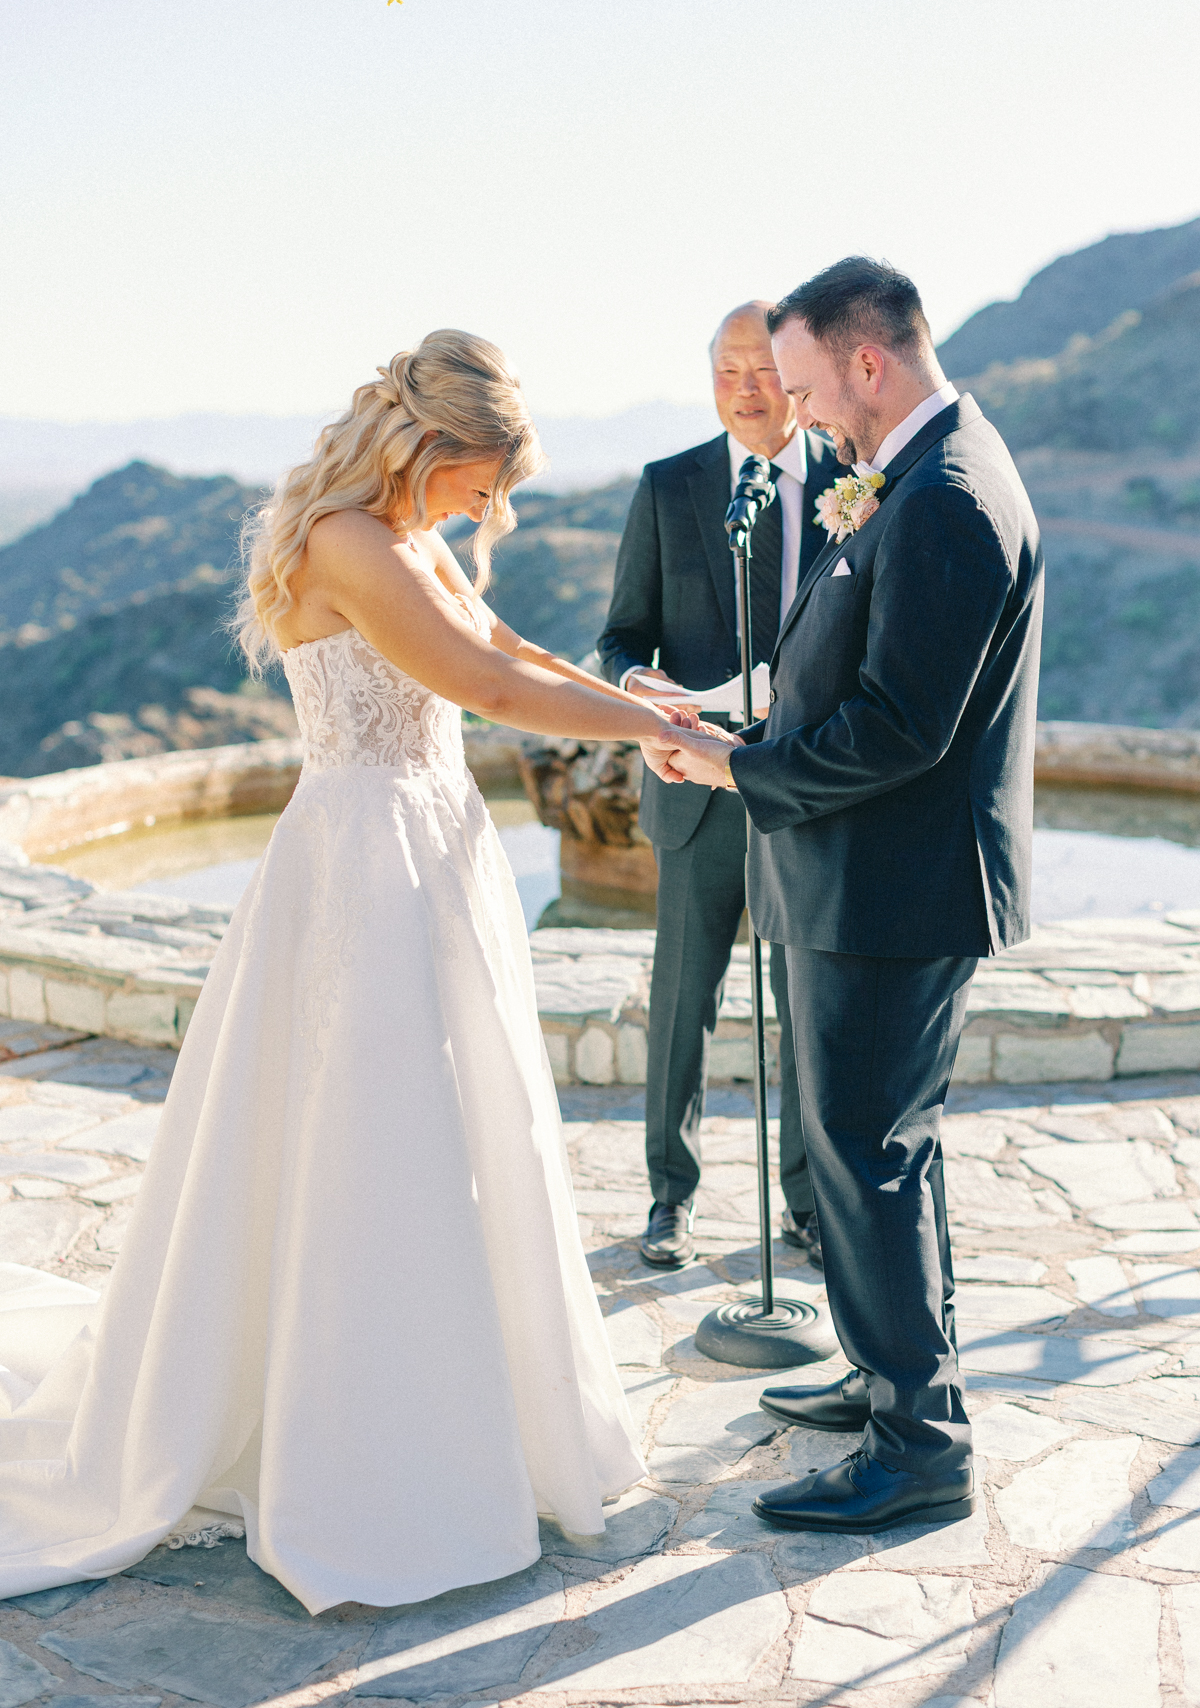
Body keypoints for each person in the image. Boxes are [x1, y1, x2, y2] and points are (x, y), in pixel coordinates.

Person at [0, 331, 691, 1614]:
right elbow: (480, 686)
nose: (489, 508)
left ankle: (473, 1411)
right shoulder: (348, 542)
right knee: (371, 1133)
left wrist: (646, 699)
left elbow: (508, 643)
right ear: (428, 445)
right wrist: (645, 728)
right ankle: (356, 1453)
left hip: (435, 848)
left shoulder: (412, 536)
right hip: (365, 864)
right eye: (482, 481)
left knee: (465, 1130)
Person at [642, 259, 1043, 1533]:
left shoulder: (948, 497)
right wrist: (729, 727)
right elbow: (847, 677)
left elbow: (901, 728)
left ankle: (917, 1448)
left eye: (808, 388)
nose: (799, 415)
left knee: (866, 1157)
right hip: (863, 879)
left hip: (892, 892)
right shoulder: (914, 473)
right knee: (883, 1155)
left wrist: (734, 769)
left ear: (869, 363)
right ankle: (891, 1379)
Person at [597, 302, 841, 1270]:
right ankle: (671, 1197)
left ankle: (807, 1205)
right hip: (693, 790)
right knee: (682, 1004)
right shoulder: (669, 486)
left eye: (763, 370)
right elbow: (622, 634)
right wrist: (638, 685)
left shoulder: (850, 484)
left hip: (805, 790)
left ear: (797, 374)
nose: (745, 389)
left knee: (803, 1006)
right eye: (726, 371)